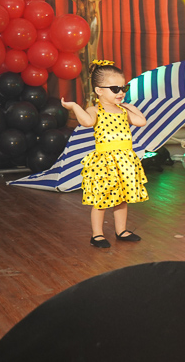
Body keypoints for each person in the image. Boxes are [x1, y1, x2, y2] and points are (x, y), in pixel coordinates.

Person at [61, 60, 148, 248]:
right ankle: (97, 234)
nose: (121, 93)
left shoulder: (123, 110)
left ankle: (121, 230)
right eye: (115, 89)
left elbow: (141, 121)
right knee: (101, 200)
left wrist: (130, 106)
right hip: (105, 162)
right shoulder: (95, 110)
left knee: (122, 198)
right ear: (99, 91)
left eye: (123, 88)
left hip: (125, 160)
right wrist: (74, 106)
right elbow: (86, 122)